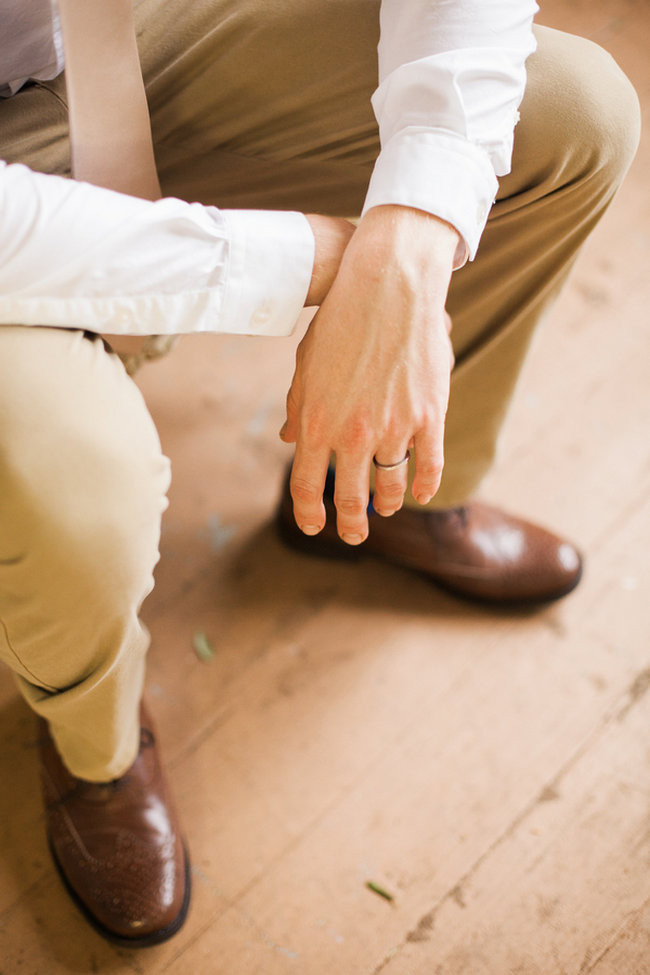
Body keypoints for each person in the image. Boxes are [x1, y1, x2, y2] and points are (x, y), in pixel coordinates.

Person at [0, 0, 640, 949]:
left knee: (576, 119)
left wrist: (412, 238)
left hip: (103, 30)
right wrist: (315, 259)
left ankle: (386, 487)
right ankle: (94, 740)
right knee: (74, 478)